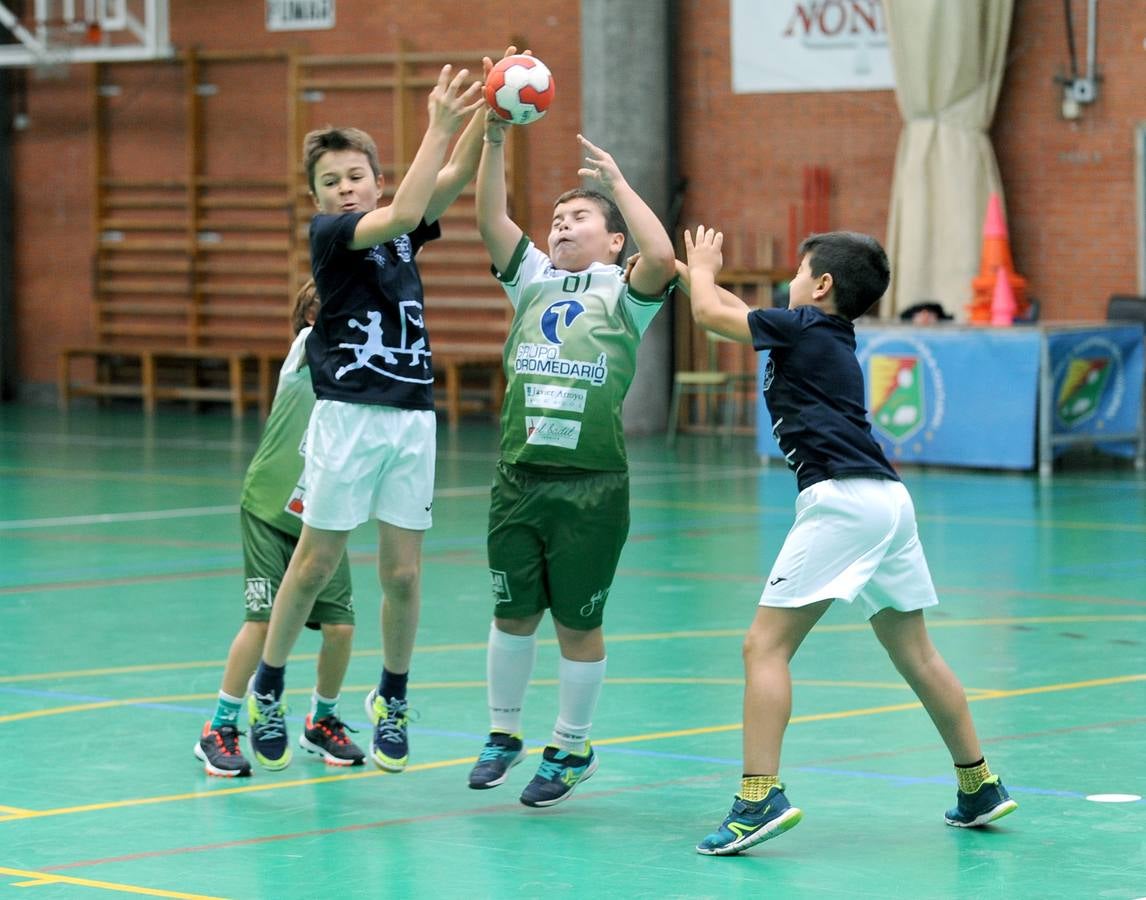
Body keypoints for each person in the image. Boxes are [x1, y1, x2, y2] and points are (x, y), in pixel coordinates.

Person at [680, 226, 1017, 855]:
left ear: (822, 284)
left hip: (842, 502)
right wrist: (688, 267)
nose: (791, 281)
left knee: (764, 647)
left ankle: (758, 798)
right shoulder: (822, 332)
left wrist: (700, 272)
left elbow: (708, 312)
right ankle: (980, 784)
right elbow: (727, 305)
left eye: (798, 271)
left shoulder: (804, 327)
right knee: (915, 653)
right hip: (888, 501)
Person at [246, 61, 487, 773]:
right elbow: (410, 207)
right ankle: (269, 685)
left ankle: (393, 696)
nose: (344, 186)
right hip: (349, 416)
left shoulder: (402, 233)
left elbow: (449, 182)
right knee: (316, 560)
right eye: (331, 180)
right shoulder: (334, 235)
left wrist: (490, 115)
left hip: (410, 417)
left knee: (405, 576)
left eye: (355, 175)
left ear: (375, 178)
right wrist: (438, 124)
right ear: (319, 196)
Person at [465, 90, 677, 807]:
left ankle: (571, 746)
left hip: (591, 484)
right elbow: (490, 218)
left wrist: (615, 185)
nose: (562, 224)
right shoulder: (532, 281)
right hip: (519, 476)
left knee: (578, 623)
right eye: (556, 218)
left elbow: (665, 254)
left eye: (579, 217)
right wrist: (495, 139)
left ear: (614, 241)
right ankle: (502, 733)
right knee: (511, 614)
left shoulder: (624, 292)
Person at [195, 280, 364, 776]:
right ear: (312, 316)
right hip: (270, 509)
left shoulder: (361, 374)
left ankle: (322, 721)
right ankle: (219, 728)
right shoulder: (305, 350)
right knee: (264, 621)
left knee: (340, 627)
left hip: (323, 516)